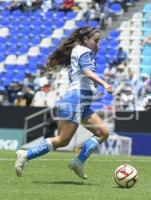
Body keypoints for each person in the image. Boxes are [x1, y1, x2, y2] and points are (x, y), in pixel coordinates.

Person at [15, 26, 113, 179]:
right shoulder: (84, 51)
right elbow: (87, 72)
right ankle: (26, 154)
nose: (98, 44)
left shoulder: (79, 51)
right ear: (86, 40)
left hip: (82, 101)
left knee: (103, 133)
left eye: (99, 42)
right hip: (76, 99)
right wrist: (104, 84)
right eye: (96, 41)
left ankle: (78, 162)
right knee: (62, 140)